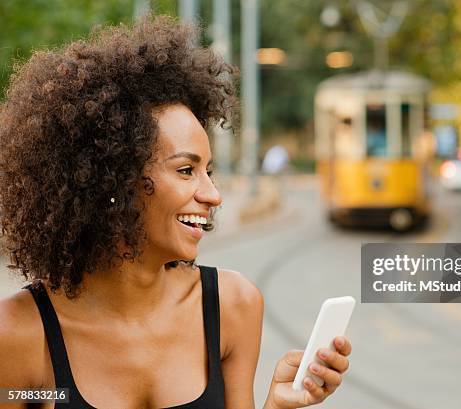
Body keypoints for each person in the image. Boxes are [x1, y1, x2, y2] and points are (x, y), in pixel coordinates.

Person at [0, 15, 351, 409]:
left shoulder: (232, 307)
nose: (213, 195)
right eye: (186, 170)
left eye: (209, 171)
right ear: (113, 180)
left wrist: (278, 405)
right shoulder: (17, 335)